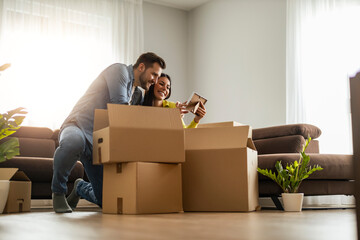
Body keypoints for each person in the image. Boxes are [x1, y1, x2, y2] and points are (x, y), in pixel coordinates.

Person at [51, 52, 166, 213]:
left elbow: (143, 116)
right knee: (74, 142)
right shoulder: (119, 71)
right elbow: (119, 108)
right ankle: (58, 193)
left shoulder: (138, 94)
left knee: (108, 199)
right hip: (77, 126)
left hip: (99, 143)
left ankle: (80, 187)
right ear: (141, 67)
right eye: (154, 74)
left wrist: (177, 110)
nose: (155, 80)